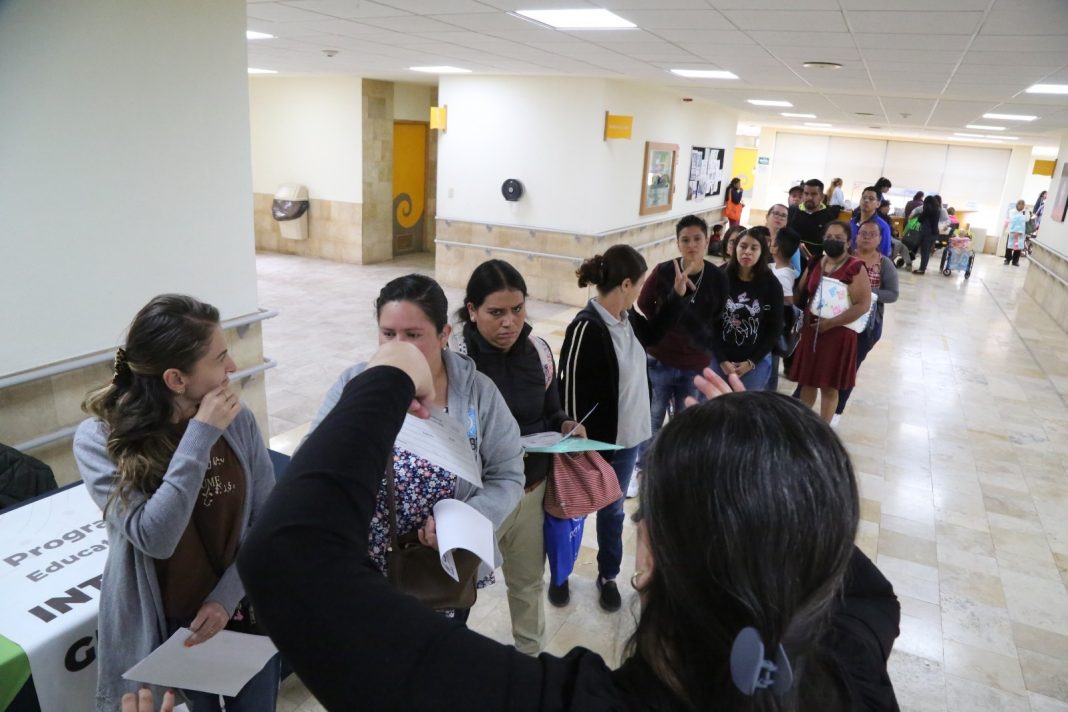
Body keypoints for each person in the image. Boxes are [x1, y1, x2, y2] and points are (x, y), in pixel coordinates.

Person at [237, 340, 902, 712]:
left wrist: (388, 372)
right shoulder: (851, 671)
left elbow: (290, 558)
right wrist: (771, 466)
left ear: (647, 557)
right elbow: (863, 588)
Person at [73, 294, 279, 712]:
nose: (232, 366)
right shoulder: (99, 440)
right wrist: (199, 435)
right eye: (219, 358)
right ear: (176, 380)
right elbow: (156, 537)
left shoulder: (237, 419)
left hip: (244, 606)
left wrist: (225, 599)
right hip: (170, 632)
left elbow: (268, 521)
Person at [304, 274, 524, 620]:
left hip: (438, 571)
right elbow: (311, 462)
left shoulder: (477, 393)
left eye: (413, 335)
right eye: (388, 334)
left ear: (443, 334)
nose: (399, 347)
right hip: (361, 566)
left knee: (435, 649)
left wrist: (465, 520)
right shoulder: (355, 384)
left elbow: (508, 474)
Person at [451, 260, 584, 654]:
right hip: (477, 499)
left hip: (531, 494)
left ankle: (531, 661)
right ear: (472, 310)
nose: (509, 322)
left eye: (517, 309)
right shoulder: (455, 362)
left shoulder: (538, 352)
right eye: (496, 312)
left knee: (527, 585)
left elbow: (551, 411)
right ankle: (448, 662)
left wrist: (565, 424)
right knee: (456, 591)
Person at [555, 245, 689, 611]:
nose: (641, 290)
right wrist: (577, 443)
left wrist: (677, 297)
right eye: (640, 283)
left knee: (613, 511)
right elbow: (568, 388)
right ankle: (560, 575)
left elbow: (655, 334)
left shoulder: (627, 319)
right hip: (597, 442)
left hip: (628, 439)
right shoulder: (586, 326)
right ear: (626, 284)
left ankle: (608, 575)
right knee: (574, 510)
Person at [634, 215, 728, 494]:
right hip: (660, 359)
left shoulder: (717, 277)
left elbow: (720, 315)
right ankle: (642, 471)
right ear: (677, 243)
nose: (691, 245)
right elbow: (644, 303)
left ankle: (676, 472)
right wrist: (664, 322)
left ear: (707, 240)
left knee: (686, 422)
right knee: (651, 419)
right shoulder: (664, 270)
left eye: (697, 239)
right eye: (685, 240)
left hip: (695, 363)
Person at [791, 221, 872, 422]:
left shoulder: (855, 267)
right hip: (812, 331)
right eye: (828, 237)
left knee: (829, 386)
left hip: (838, 333)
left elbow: (863, 305)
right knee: (807, 380)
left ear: (848, 242)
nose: (832, 241)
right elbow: (801, 291)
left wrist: (830, 323)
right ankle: (805, 425)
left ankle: (824, 429)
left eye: (838, 238)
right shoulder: (816, 262)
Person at [835, 221, 899, 423]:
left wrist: (867, 293)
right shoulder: (844, 257)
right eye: (863, 233)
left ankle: (837, 411)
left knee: (850, 368)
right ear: (856, 236)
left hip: (866, 325)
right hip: (837, 318)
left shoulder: (885, 264)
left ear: (880, 239)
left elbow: (892, 294)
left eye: (872, 234)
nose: (866, 237)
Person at [711, 227, 784, 390]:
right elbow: (709, 323)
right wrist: (722, 360)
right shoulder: (719, 277)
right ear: (734, 248)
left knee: (746, 405)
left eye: (754, 248)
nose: (747, 252)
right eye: (743, 246)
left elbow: (775, 328)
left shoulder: (771, 284)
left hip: (754, 362)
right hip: (719, 358)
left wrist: (751, 362)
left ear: (762, 252)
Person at [768, 227, 801, 392]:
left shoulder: (783, 275)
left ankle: (769, 395)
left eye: (772, 241)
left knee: (771, 366)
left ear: (776, 249)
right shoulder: (779, 268)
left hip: (774, 327)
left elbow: (788, 301)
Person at [788, 178, 839, 271]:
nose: (809, 197)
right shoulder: (792, 211)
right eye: (806, 193)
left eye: (814, 194)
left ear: (822, 197)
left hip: (813, 267)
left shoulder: (829, 218)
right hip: (789, 265)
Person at [849, 186, 892, 257]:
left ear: (878, 204)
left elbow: (884, 254)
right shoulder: (852, 222)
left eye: (871, 199)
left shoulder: (882, 226)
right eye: (864, 198)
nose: (866, 200)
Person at [766, 202, 801, 276]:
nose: (779, 217)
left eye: (783, 216)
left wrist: (779, 272)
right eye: (776, 213)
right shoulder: (757, 235)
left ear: (787, 221)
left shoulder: (790, 241)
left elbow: (797, 272)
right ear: (767, 216)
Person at [913, 196, 942, 275]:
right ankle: (923, 268)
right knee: (927, 252)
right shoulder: (938, 209)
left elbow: (920, 219)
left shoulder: (927, 210)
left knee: (924, 252)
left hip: (927, 234)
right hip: (934, 233)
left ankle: (922, 269)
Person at [1004, 199, 1028, 266]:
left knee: (1018, 246)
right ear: (1017, 204)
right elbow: (1012, 218)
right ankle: (1007, 259)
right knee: (1009, 246)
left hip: (1021, 232)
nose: (1021, 205)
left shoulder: (1025, 212)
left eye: (1023, 204)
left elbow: (1027, 219)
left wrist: (1024, 214)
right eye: (1020, 203)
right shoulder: (1012, 211)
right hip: (1012, 231)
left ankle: (1015, 261)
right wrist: (1021, 218)